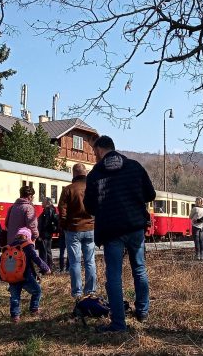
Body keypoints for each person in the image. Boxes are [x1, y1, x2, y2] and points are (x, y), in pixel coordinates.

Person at [84, 135, 156, 332]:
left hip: (112, 230)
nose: (94, 156)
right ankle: (142, 311)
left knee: (114, 276)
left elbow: (89, 207)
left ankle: (118, 323)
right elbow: (151, 194)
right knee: (139, 269)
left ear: (99, 150)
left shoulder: (95, 174)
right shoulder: (134, 166)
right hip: (135, 227)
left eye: (94, 152)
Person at [57, 163, 96, 299]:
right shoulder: (92, 188)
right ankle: (91, 290)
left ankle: (77, 292)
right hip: (91, 229)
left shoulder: (68, 189)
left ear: (73, 174)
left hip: (73, 229)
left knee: (75, 262)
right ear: (85, 173)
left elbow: (62, 209)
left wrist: (63, 225)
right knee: (90, 261)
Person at [7, 227, 51, 323]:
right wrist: (46, 268)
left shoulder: (10, 246)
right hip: (25, 276)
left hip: (13, 277)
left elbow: (0, 262)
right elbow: (36, 259)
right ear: (27, 237)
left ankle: (15, 316)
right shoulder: (27, 246)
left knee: (15, 297)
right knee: (37, 291)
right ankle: (34, 309)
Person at [36, 198, 59, 271]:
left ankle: (45, 268)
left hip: (45, 234)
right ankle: (48, 267)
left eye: (43, 202)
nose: (41, 203)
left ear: (47, 203)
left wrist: (40, 234)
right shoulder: (52, 210)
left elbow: (45, 223)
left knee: (44, 251)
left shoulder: (48, 210)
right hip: (48, 234)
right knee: (47, 250)